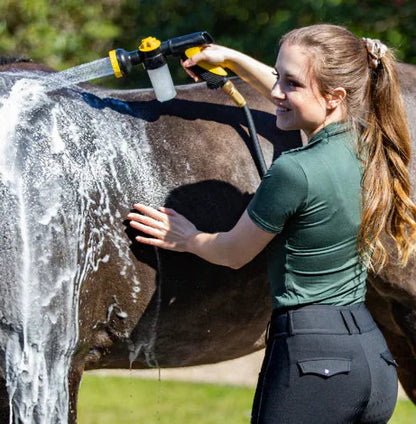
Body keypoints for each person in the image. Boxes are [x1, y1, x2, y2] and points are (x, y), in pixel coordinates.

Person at [128, 24, 416, 423]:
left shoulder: (294, 171)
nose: (277, 91)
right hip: (372, 362)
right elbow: (304, 97)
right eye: (278, 76)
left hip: (310, 365)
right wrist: (232, 59)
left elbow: (231, 253)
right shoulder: (372, 142)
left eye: (291, 83)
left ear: (336, 97)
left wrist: (188, 238)